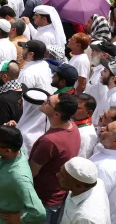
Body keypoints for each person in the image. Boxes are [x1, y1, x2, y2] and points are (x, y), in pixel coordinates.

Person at [30, 93, 80, 223]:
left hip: (42, 201)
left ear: (57, 114)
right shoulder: (73, 127)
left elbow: (32, 172)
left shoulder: (50, 141)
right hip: (57, 198)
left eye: (48, 102)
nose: (44, 101)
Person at [0, 125, 46, 224]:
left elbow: (39, 212)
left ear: (7, 150)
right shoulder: (13, 153)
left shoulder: (19, 177)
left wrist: (21, 219)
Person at [58, 157, 111, 224]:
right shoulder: (95, 183)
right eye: (60, 171)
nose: (57, 175)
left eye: (63, 176)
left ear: (78, 187)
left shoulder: (86, 219)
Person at [89, 120, 116, 223]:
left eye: (107, 129)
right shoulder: (102, 150)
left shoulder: (105, 168)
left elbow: (93, 202)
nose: (102, 128)